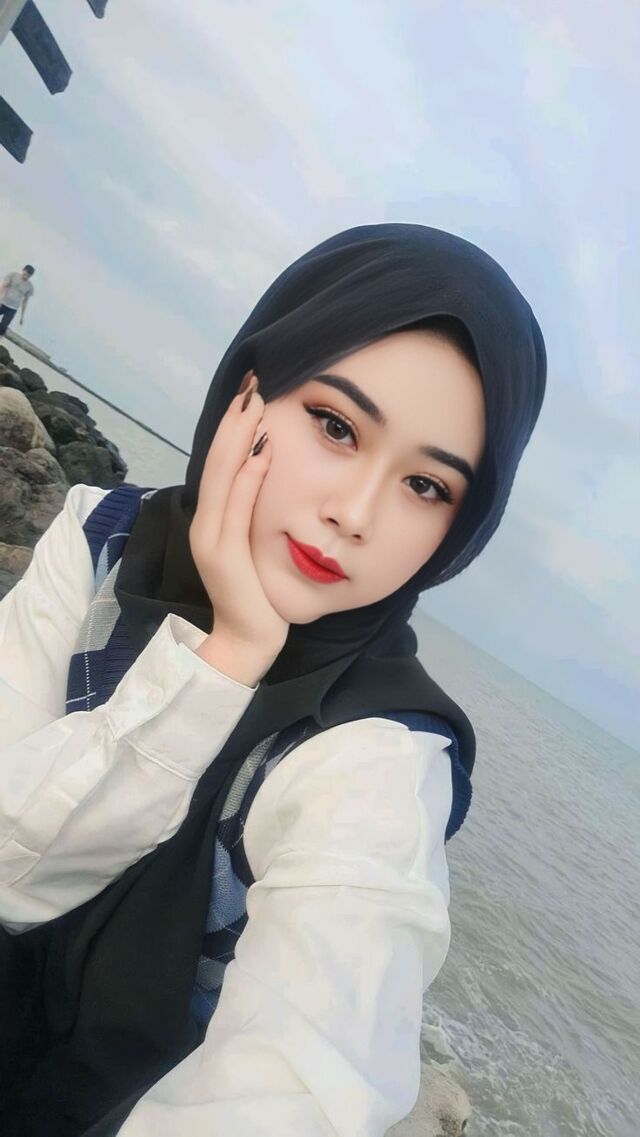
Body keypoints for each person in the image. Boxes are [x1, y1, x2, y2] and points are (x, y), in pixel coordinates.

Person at [0, 224, 546, 1136]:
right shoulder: (103, 542)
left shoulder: (379, 755)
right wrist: (224, 660)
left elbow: (305, 1078)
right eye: (336, 425)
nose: (355, 513)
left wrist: (236, 651)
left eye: (426, 486)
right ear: (248, 393)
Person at [0, 264, 35, 337]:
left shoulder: (29, 286)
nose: (25, 277)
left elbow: (25, 301)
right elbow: (3, 287)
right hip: (3, 303)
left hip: (12, 309)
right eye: (25, 274)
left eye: (28, 276)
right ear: (23, 270)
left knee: (3, 327)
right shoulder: (13, 275)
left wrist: (22, 316)